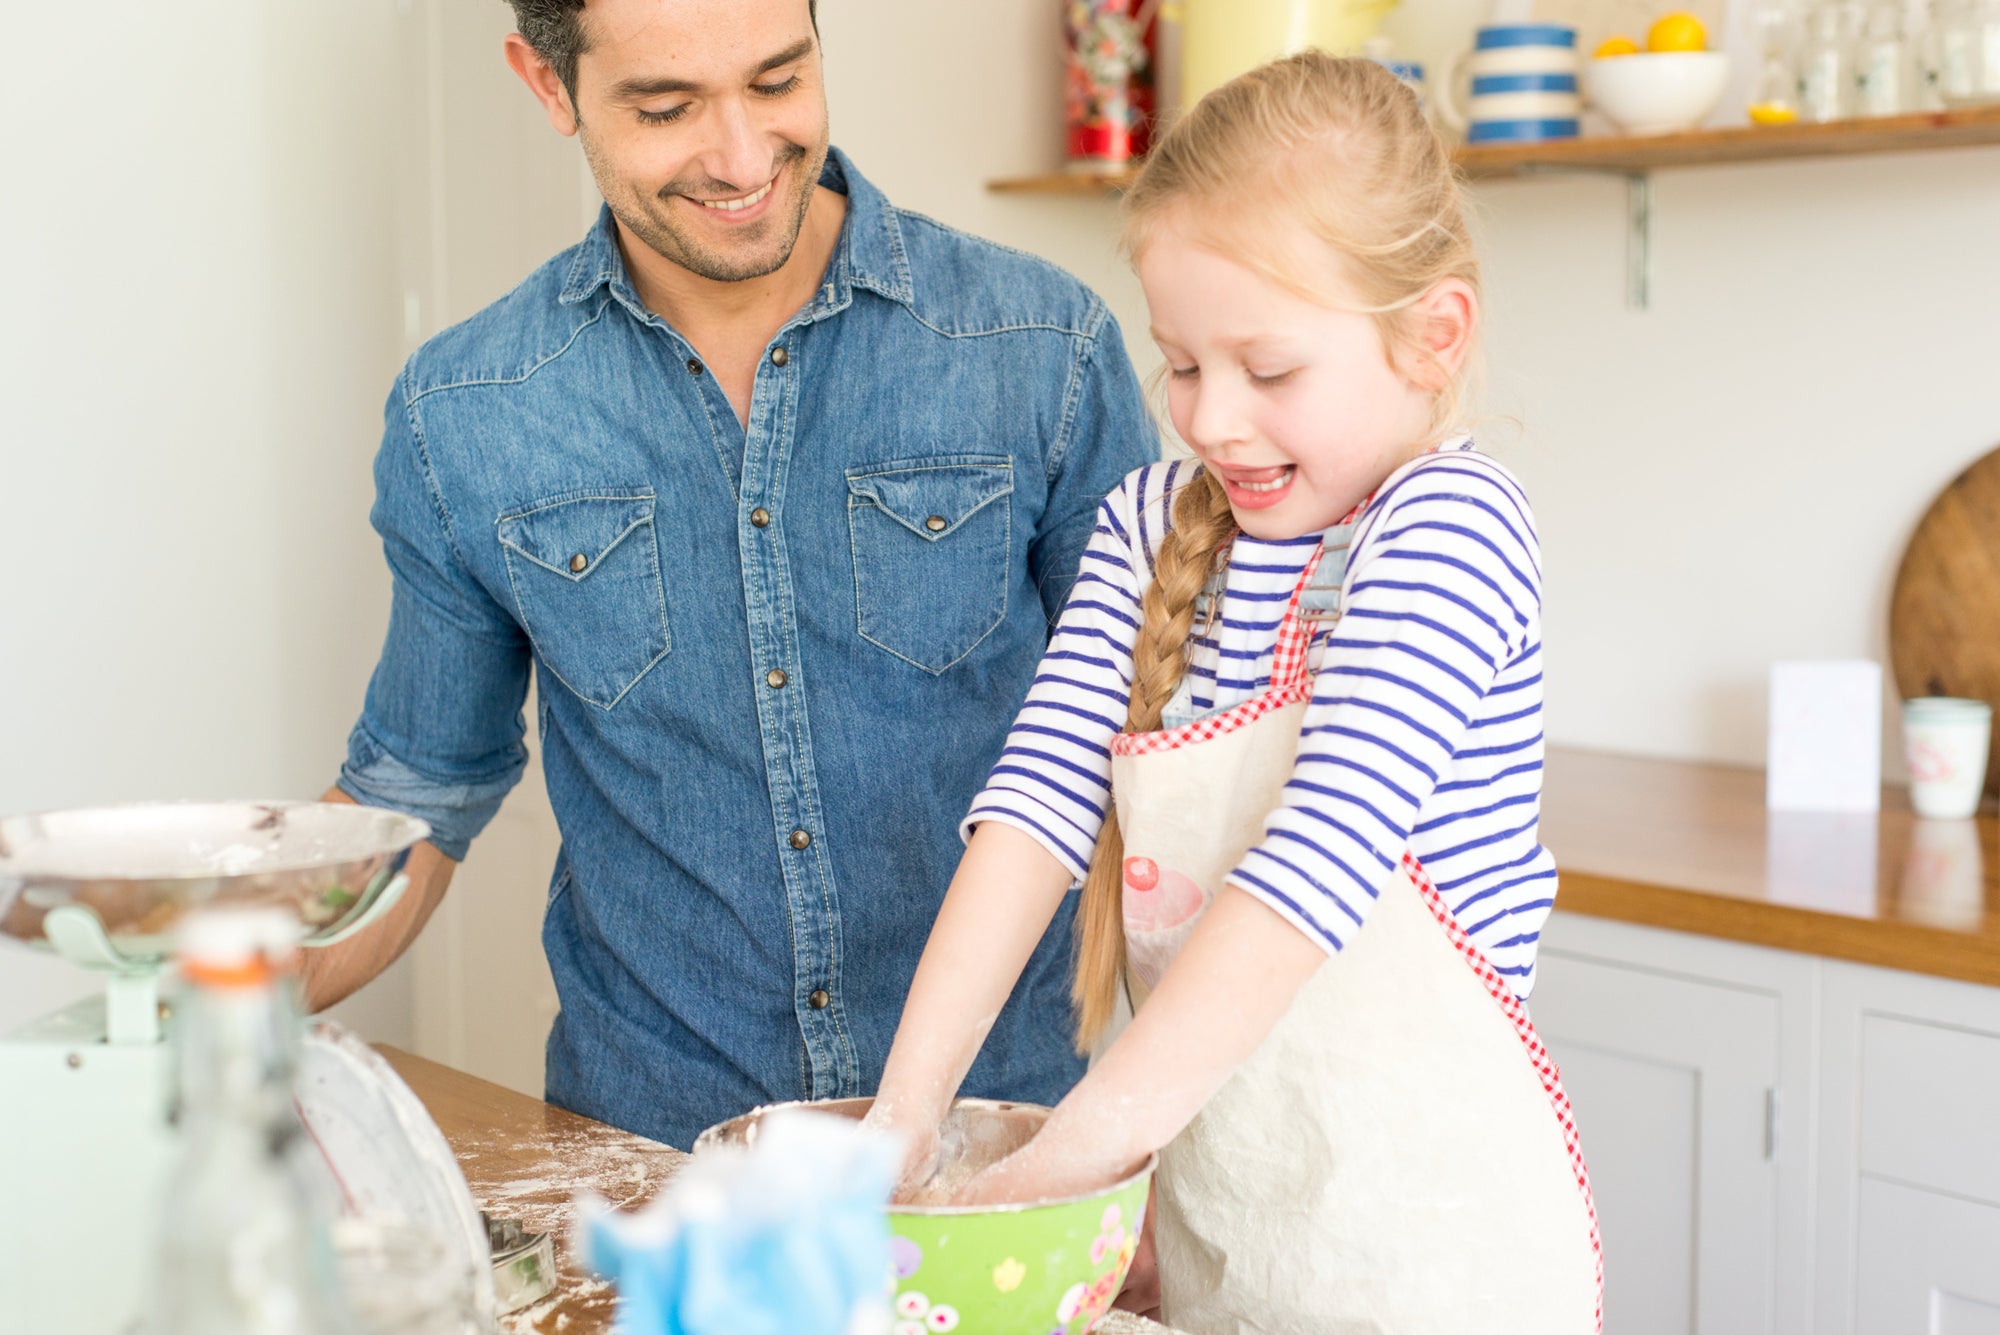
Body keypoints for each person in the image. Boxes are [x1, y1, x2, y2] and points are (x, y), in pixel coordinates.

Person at [305, 0, 1153, 1153]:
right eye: (666, 107)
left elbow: (1166, 755)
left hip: (1008, 1145)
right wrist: (179, 987)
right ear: (548, 86)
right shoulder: (467, 412)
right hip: (649, 1164)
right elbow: (416, 801)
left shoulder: (1037, 350)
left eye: (776, 81)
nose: (743, 156)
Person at [867, 53, 1601, 1332]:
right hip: (1225, 1234)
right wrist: (904, 1115)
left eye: (1268, 371)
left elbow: (1312, 866)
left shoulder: (1444, 529)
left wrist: (1065, 1166)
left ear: (1432, 336)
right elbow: (1035, 806)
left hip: (1432, 1259)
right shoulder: (1148, 524)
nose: (1210, 419)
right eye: (1180, 363)